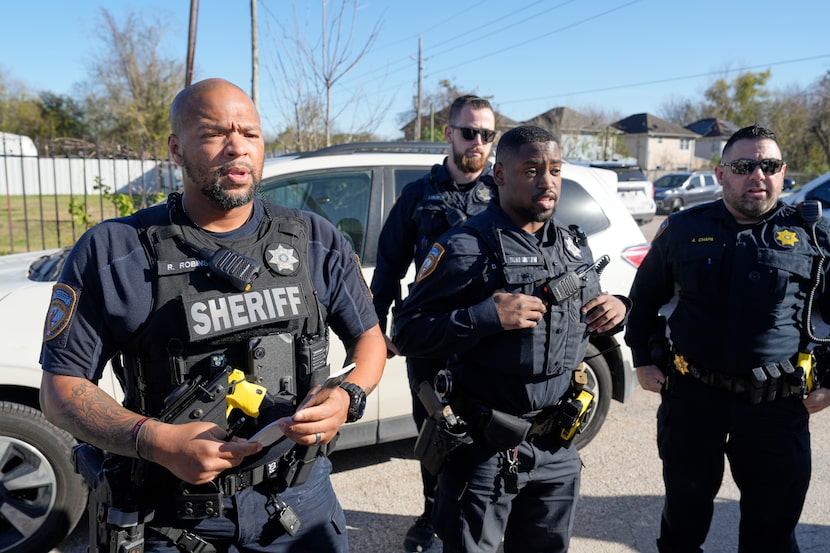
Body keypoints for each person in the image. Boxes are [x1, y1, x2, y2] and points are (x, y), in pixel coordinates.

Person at [39, 78, 386, 553]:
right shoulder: (113, 250)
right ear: (176, 150)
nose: (236, 147)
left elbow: (370, 340)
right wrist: (155, 440)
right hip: (171, 518)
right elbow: (60, 391)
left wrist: (348, 395)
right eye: (214, 134)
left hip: (300, 503)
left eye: (250, 133)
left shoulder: (314, 238)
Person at [392, 125, 629, 553]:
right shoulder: (465, 246)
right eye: (532, 169)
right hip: (483, 449)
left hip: (557, 445)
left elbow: (591, 312)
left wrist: (619, 309)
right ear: (499, 175)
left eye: (555, 169)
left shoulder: (574, 247)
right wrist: (484, 317)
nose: (547, 181)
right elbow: (407, 332)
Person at [625, 124, 830, 553]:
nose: (758, 175)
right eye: (744, 166)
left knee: (771, 534)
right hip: (693, 400)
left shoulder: (812, 234)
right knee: (683, 521)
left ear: (782, 172)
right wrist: (643, 356)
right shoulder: (682, 229)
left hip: (776, 408)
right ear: (721, 175)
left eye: (768, 165)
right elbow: (645, 298)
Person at [370, 94, 497, 551]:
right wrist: (374, 333)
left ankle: (486, 515)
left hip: (487, 337)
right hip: (429, 336)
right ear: (448, 133)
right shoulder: (417, 196)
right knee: (433, 428)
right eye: (469, 132)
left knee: (489, 429)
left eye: (487, 134)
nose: (478, 142)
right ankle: (431, 513)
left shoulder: (504, 195)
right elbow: (388, 268)